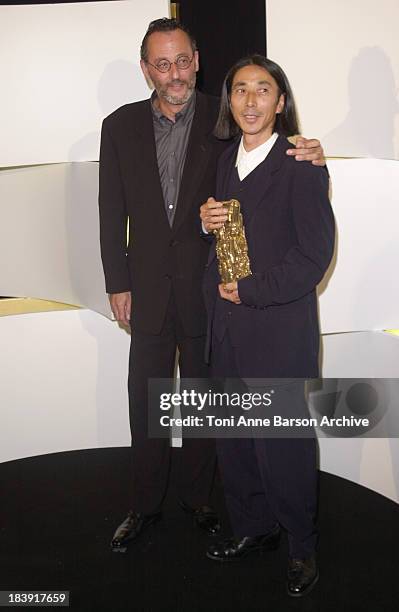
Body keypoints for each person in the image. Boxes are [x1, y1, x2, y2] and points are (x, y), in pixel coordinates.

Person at [98, 18, 326, 553]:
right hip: (148, 289)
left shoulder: (224, 121)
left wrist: (311, 150)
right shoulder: (119, 125)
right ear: (146, 69)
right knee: (146, 402)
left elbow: (270, 149)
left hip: (213, 294)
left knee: (208, 400)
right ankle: (145, 503)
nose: (174, 73)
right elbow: (112, 212)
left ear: (197, 60)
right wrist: (117, 280)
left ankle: (200, 498)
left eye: (182, 61)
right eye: (162, 63)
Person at [200, 55, 335, 597]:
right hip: (227, 328)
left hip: (278, 329)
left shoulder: (302, 163)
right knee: (234, 439)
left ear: (281, 102)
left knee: (283, 443)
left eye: (263, 90)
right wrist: (204, 221)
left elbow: (312, 257)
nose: (250, 101)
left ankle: (302, 546)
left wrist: (252, 291)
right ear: (229, 102)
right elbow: (230, 236)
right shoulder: (223, 162)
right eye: (239, 90)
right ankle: (254, 527)